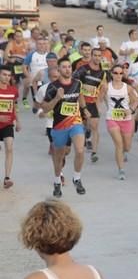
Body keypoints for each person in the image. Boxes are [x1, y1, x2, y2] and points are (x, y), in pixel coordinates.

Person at [41, 57, 88, 198]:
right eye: (64, 67)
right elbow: (44, 108)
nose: (67, 69)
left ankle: (77, 178)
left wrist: (84, 108)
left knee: (80, 150)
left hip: (75, 122)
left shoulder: (77, 83)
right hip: (59, 126)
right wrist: (56, 98)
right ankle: (57, 181)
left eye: (69, 67)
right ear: (59, 69)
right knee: (59, 157)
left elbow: (80, 96)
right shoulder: (53, 87)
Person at [101, 64, 138, 180]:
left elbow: (135, 100)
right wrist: (97, 110)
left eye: (120, 73)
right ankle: (121, 170)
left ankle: (124, 153)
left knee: (127, 147)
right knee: (119, 144)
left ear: (123, 74)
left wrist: (131, 110)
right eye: (116, 73)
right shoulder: (106, 87)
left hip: (126, 120)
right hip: (112, 119)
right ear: (111, 74)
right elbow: (99, 99)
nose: (118, 75)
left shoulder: (127, 88)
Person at [73, 48, 108, 163]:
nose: (97, 58)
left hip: (93, 103)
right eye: (95, 55)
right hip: (81, 101)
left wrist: (99, 104)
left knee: (95, 126)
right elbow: (74, 83)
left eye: (99, 56)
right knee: (84, 124)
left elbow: (103, 89)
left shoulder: (103, 73)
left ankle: (94, 152)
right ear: (91, 56)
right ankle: (84, 133)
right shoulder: (83, 69)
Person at [0, 65, 20, 188]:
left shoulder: (13, 90)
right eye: (4, 74)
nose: (6, 77)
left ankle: (7, 178)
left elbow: (13, 106)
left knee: (9, 148)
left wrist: (18, 121)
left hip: (7, 124)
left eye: (8, 75)